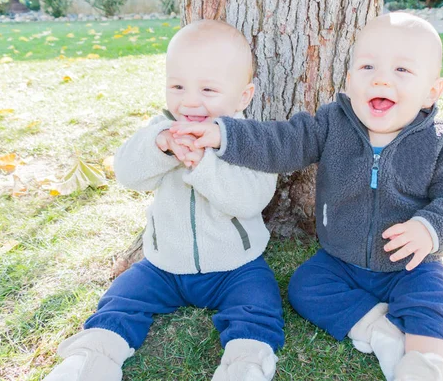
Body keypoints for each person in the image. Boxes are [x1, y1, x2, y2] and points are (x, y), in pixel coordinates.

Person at [172, 13, 443, 381]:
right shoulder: (332, 124)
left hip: (408, 264)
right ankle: (377, 330)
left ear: (432, 91)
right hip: (340, 260)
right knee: (305, 288)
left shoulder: (439, 142)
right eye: (368, 66)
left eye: (402, 70)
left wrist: (429, 228)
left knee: (431, 300)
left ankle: (424, 364)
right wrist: (225, 136)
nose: (381, 78)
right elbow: (281, 142)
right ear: (350, 81)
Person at [44, 20, 284, 381]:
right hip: (163, 265)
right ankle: (91, 359)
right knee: (121, 299)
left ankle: (245, 364)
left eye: (208, 89)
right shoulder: (162, 129)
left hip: (236, 266)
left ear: (243, 96)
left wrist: (203, 165)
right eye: (177, 86)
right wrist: (161, 146)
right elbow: (127, 173)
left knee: (258, 305)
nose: (189, 101)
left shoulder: (255, 142)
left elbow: (249, 201)